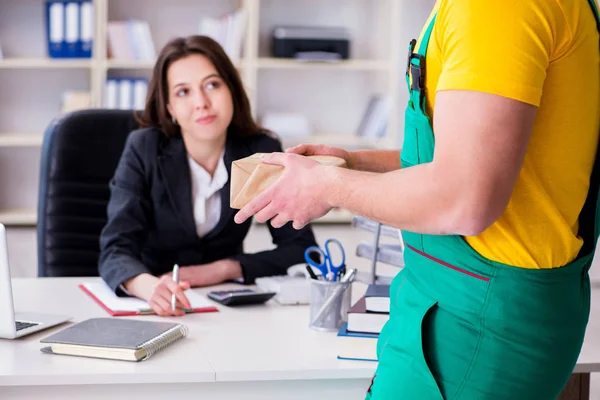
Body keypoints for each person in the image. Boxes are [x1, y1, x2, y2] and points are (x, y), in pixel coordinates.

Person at [235, 0, 600, 398]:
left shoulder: (496, 8)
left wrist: (326, 185)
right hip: (463, 309)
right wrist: (353, 163)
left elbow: (463, 198)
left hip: (473, 327)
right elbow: (471, 157)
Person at [98, 35, 317, 317]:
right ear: (169, 108)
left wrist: (225, 268)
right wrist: (146, 286)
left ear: (232, 90)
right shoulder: (144, 148)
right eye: (183, 92)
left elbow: (303, 248)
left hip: (227, 307)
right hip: (154, 304)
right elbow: (115, 248)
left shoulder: (262, 151)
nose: (201, 102)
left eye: (212, 85)